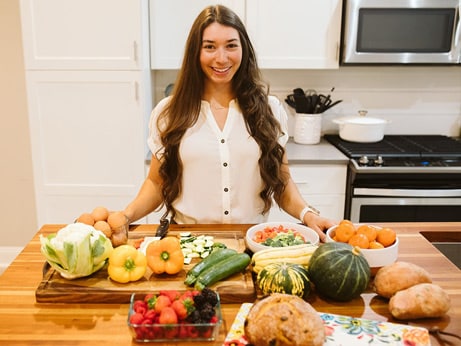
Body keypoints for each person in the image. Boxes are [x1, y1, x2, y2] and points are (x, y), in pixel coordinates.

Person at [123, 5, 334, 241]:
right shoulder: (169, 112)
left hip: (250, 241)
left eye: (231, 45)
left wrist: (307, 214)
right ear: (196, 52)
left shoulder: (269, 110)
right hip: (187, 242)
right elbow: (156, 182)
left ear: (244, 49)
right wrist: (125, 216)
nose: (221, 58)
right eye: (210, 47)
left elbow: (282, 182)